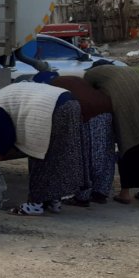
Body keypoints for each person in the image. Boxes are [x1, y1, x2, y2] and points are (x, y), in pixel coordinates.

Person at [0, 82, 88, 216]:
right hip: (70, 102)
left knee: (38, 156)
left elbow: (7, 138)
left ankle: (35, 205)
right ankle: (53, 201)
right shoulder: (1, 95)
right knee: (56, 155)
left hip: (48, 108)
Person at [85, 63, 139, 208]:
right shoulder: (123, 71)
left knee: (129, 141)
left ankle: (125, 194)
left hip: (130, 97)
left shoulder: (91, 75)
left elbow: (92, 97)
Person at [43, 73, 116, 206]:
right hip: (107, 110)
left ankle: (83, 196)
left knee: (86, 155)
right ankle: (101, 192)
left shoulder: (53, 87)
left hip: (90, 114)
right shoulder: (73, 80)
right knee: (106, 152)